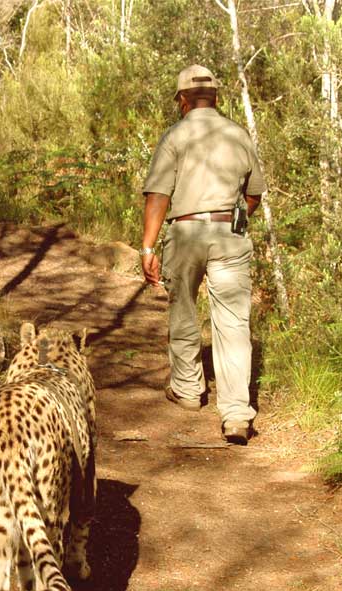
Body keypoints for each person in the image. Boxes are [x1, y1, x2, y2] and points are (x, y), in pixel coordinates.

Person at [140, 64, 265, 446]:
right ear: (216, 97)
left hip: (186, 231)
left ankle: (189, 389)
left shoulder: (175, 136)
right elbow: (254, 194)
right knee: (233, 323)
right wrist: (235, 217)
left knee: (183, 309)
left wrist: (148, 246)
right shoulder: (237, 134)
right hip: (230, 232)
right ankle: (236, 414)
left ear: (182, 100)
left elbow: (158, 194)